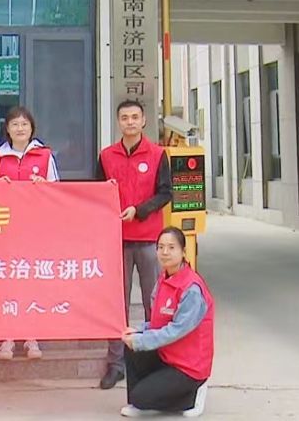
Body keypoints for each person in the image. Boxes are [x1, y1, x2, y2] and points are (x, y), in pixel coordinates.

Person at [96, 99, 172, 389]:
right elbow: (97, 193)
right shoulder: (106, 156)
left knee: (154, 302)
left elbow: (165, 193)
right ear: (118, 122)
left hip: (150, 239)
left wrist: (139, 211)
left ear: (143, 121)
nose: (130, 122)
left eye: (134, 117)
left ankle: (155, 360)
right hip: (116, 239)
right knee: (118, 304)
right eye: (125, 117)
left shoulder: (157, 154)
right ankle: (116, 364)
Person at [0, 106, 58, 360]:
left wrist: (44, 186)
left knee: (31, 281)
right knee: (6, 282)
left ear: (32, 128)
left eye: (24, 124)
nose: (20, 128)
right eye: (15, 124)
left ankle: (31, 336)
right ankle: (7, 337)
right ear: (7, 129)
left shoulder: (45, 156)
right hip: (4, 229)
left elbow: (57, 193)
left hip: (35, 230)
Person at [119, 227, 213, 418]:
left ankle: (193, 394)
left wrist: (141, 340)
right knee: (131, 345)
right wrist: (138, 330)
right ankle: (141, 401)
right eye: (160, 247)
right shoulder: (164, 278)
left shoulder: (192, 289)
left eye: (171, 247)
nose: (165, 252)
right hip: (168, 356)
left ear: (183, 252)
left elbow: (176, 330)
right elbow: (158, 321)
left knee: (141, 394)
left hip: (188, 367)